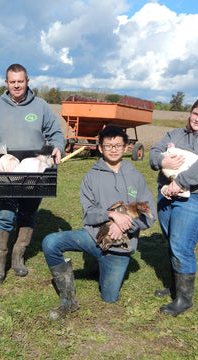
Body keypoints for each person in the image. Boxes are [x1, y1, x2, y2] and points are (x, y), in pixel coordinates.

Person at [42, 125, 156, 319]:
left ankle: (102, 263)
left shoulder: (136, 177)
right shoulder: (90, 177)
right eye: (108, 145)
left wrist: (124, 226)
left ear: (126, 147)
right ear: (101, 148)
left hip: (120, 247)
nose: (113, 149)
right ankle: (68, 300)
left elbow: (149, 216)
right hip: (92, 236)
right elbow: (88, 214)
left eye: (118, 145)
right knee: (51, 242)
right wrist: (111, 215)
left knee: (109, 297)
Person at [0, 63, 65, 283]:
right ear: (6, 83)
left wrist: (58, 146)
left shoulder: (40, 106)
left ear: (27, 82)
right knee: (4, 214)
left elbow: (56, 132)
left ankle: (18, 257)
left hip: (35, 169)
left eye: (20, 81)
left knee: (28, 213)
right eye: (12, 82)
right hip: (6, 168)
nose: (16, 85)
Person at [149, 95, 198, 316]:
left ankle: (184, 299)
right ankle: (175, 287)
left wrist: (180, 182)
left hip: (196, 198)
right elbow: (154, 152)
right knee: (171, 240)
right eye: (195, 113)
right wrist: (162, 161)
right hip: (166, 195)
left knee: (181, 245)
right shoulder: (175, 135)